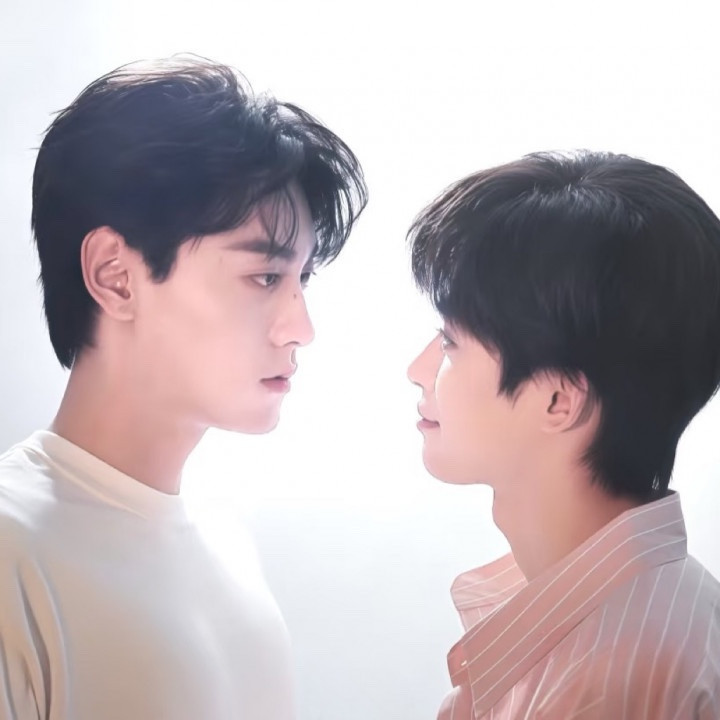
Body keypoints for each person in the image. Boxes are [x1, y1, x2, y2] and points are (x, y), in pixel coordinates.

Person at [0, 56, 366, 720]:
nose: (301, 328)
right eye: (264, 277)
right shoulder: (11, 550)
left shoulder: (228, 544)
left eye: (302, 279)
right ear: (115, 276)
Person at [407, 151, 720, 719]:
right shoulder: (653, 617)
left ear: (558, 400)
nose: (418, 369)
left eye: (451, 342)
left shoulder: (609, 687)